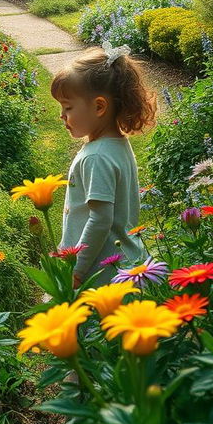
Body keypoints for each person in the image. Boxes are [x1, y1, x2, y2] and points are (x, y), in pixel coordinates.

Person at [51, 44, 157, 288]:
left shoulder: (96, 157)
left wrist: (77, 269)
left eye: (68, 107)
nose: (61, 116)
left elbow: (100, 220)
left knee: (98, 326)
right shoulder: (117, 145)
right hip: (126, 261)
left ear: (99, 107)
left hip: (102, 273)